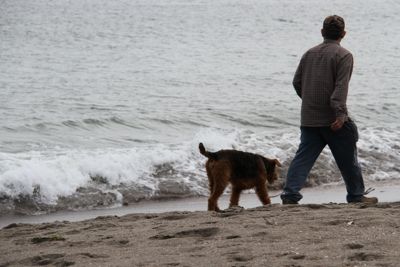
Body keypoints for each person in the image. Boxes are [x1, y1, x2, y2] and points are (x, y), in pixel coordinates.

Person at [280, 15, 378, 204]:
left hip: (309, 117)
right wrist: (340, 115)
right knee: (348, 158)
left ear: (322, 32)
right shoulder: (344, 55)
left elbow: (296, 82)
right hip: (333, 120)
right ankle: (356, 195)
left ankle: (290, 195)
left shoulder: (309, 53)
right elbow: (340, 88)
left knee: (302, 159)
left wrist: (310, 101)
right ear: (343, 34)